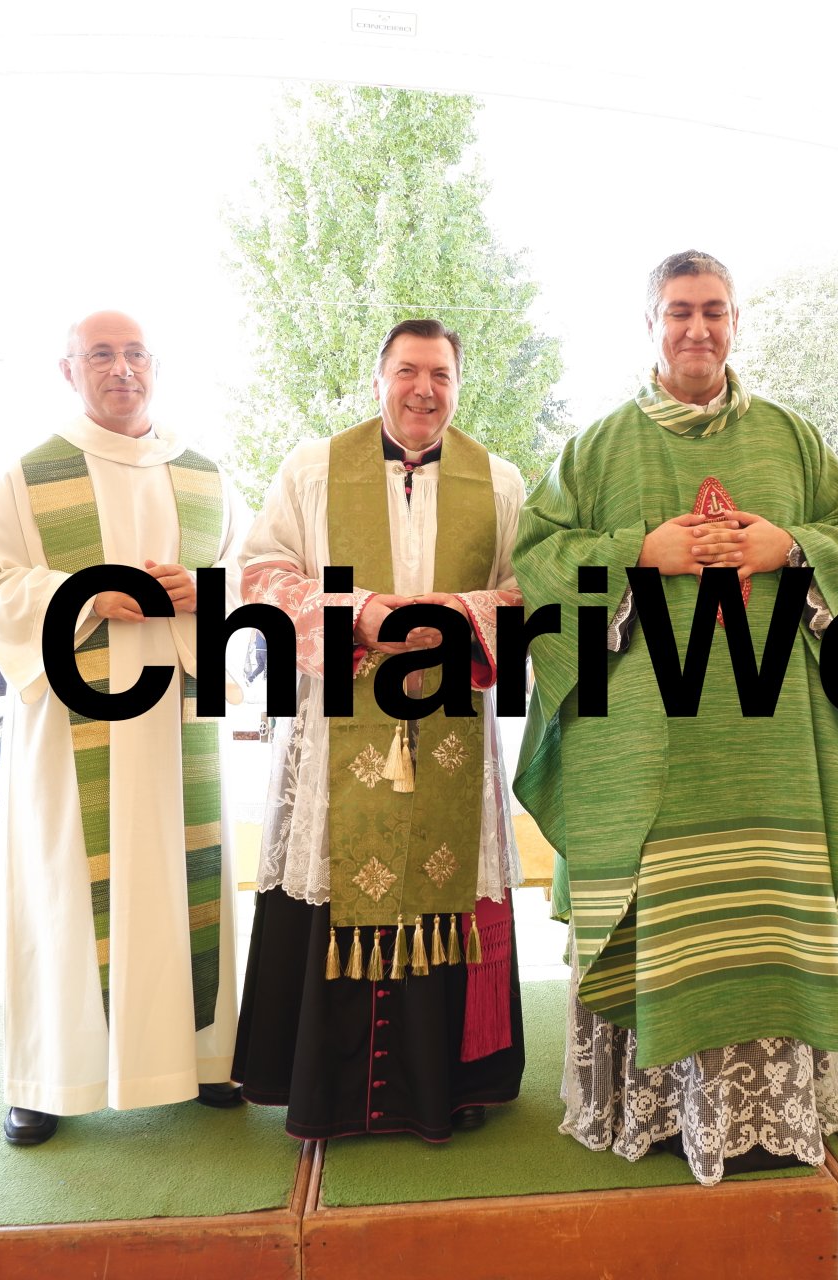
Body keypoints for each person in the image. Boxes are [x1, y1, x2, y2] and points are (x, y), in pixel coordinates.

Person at [515, 251, 838, 1184]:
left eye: (714, 311)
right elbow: (538, 559)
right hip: (644, 739)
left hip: (773, 738)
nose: (698, 328)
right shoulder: (597, 447)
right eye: (679, 311)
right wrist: (638, 553)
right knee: (663, 916)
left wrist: (789, 544)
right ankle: (654, 1107)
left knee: (765, 912)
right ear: (650, 323)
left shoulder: (793, 439)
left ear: (734, 322)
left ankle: (765, 1112)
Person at [0, 309, 246, 1146]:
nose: (122, 369)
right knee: (64, 891)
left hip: (177, 717)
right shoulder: (32, 475)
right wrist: (81, 594)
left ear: (157, 365)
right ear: (69, 371)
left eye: (135, 354)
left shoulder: (205, 475)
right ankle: (50, 1079)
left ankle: (202, 1058)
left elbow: (252, 581)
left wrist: (204, 593)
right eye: (102, 355)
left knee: (184, 880)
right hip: (71, 718)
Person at [233, 318, 527, 1143]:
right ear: (378, 379)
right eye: (407, 371)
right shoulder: (312, 469)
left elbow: (527, 590)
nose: (423, 389)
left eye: (440, 374)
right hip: (338, 725)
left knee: (446, 877)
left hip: (451, 726)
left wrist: (456, 615)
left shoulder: (500, 481)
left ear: (458, 386)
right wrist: (357, 613)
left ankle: (447, 1089)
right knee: (335, 870)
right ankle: (328, 1091)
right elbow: (261, 573)